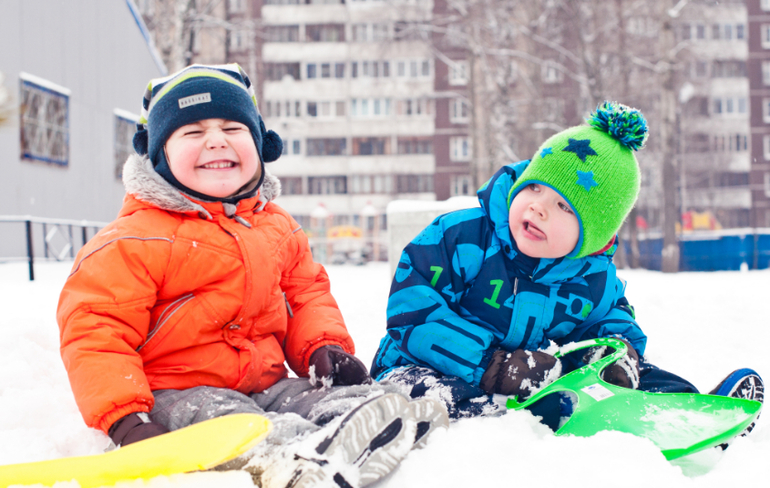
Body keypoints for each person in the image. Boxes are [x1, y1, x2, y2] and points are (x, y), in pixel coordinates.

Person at [57, 64, 447, 488]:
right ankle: (293, 457)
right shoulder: (132, 240)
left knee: (320, 398)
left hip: (266, 384)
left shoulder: (277, 228)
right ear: (159, 156)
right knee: (236, 424)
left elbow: (306, 296)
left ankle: (371, 419)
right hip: (175, 394)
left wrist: (324, 347)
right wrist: (125, 418)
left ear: (260, 146)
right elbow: (97, 332)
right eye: (192, 132)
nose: (216, 140)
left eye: (232, 128)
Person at [370, 102, 764, 432]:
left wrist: (614, 354)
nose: (538, 206)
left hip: (535, 380)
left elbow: (612, 320)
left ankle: (694, 414)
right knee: (443, 397)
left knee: (637, 374)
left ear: (591, 237)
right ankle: (501, 426)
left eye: (563, 206)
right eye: (534, 187)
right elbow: (412, 310)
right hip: (424, 365)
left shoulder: (592, 276)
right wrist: (491, 365)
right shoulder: (462, 237)